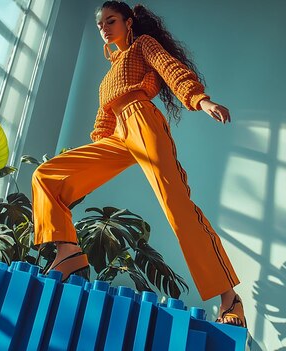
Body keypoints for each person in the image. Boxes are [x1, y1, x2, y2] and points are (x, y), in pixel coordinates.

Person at [30, 1, 246, 328]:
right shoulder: (108, 79)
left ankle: (229, 298)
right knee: (46, 175)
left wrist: (200, 100)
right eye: (100, 23)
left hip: (143, 121)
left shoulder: (142, 46)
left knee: (178, 209)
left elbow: (170, 67)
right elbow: (102, 126)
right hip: (117, 135)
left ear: (128, 22)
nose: (104, 27)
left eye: (111, 20)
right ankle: (69, 252)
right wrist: (81, 159)